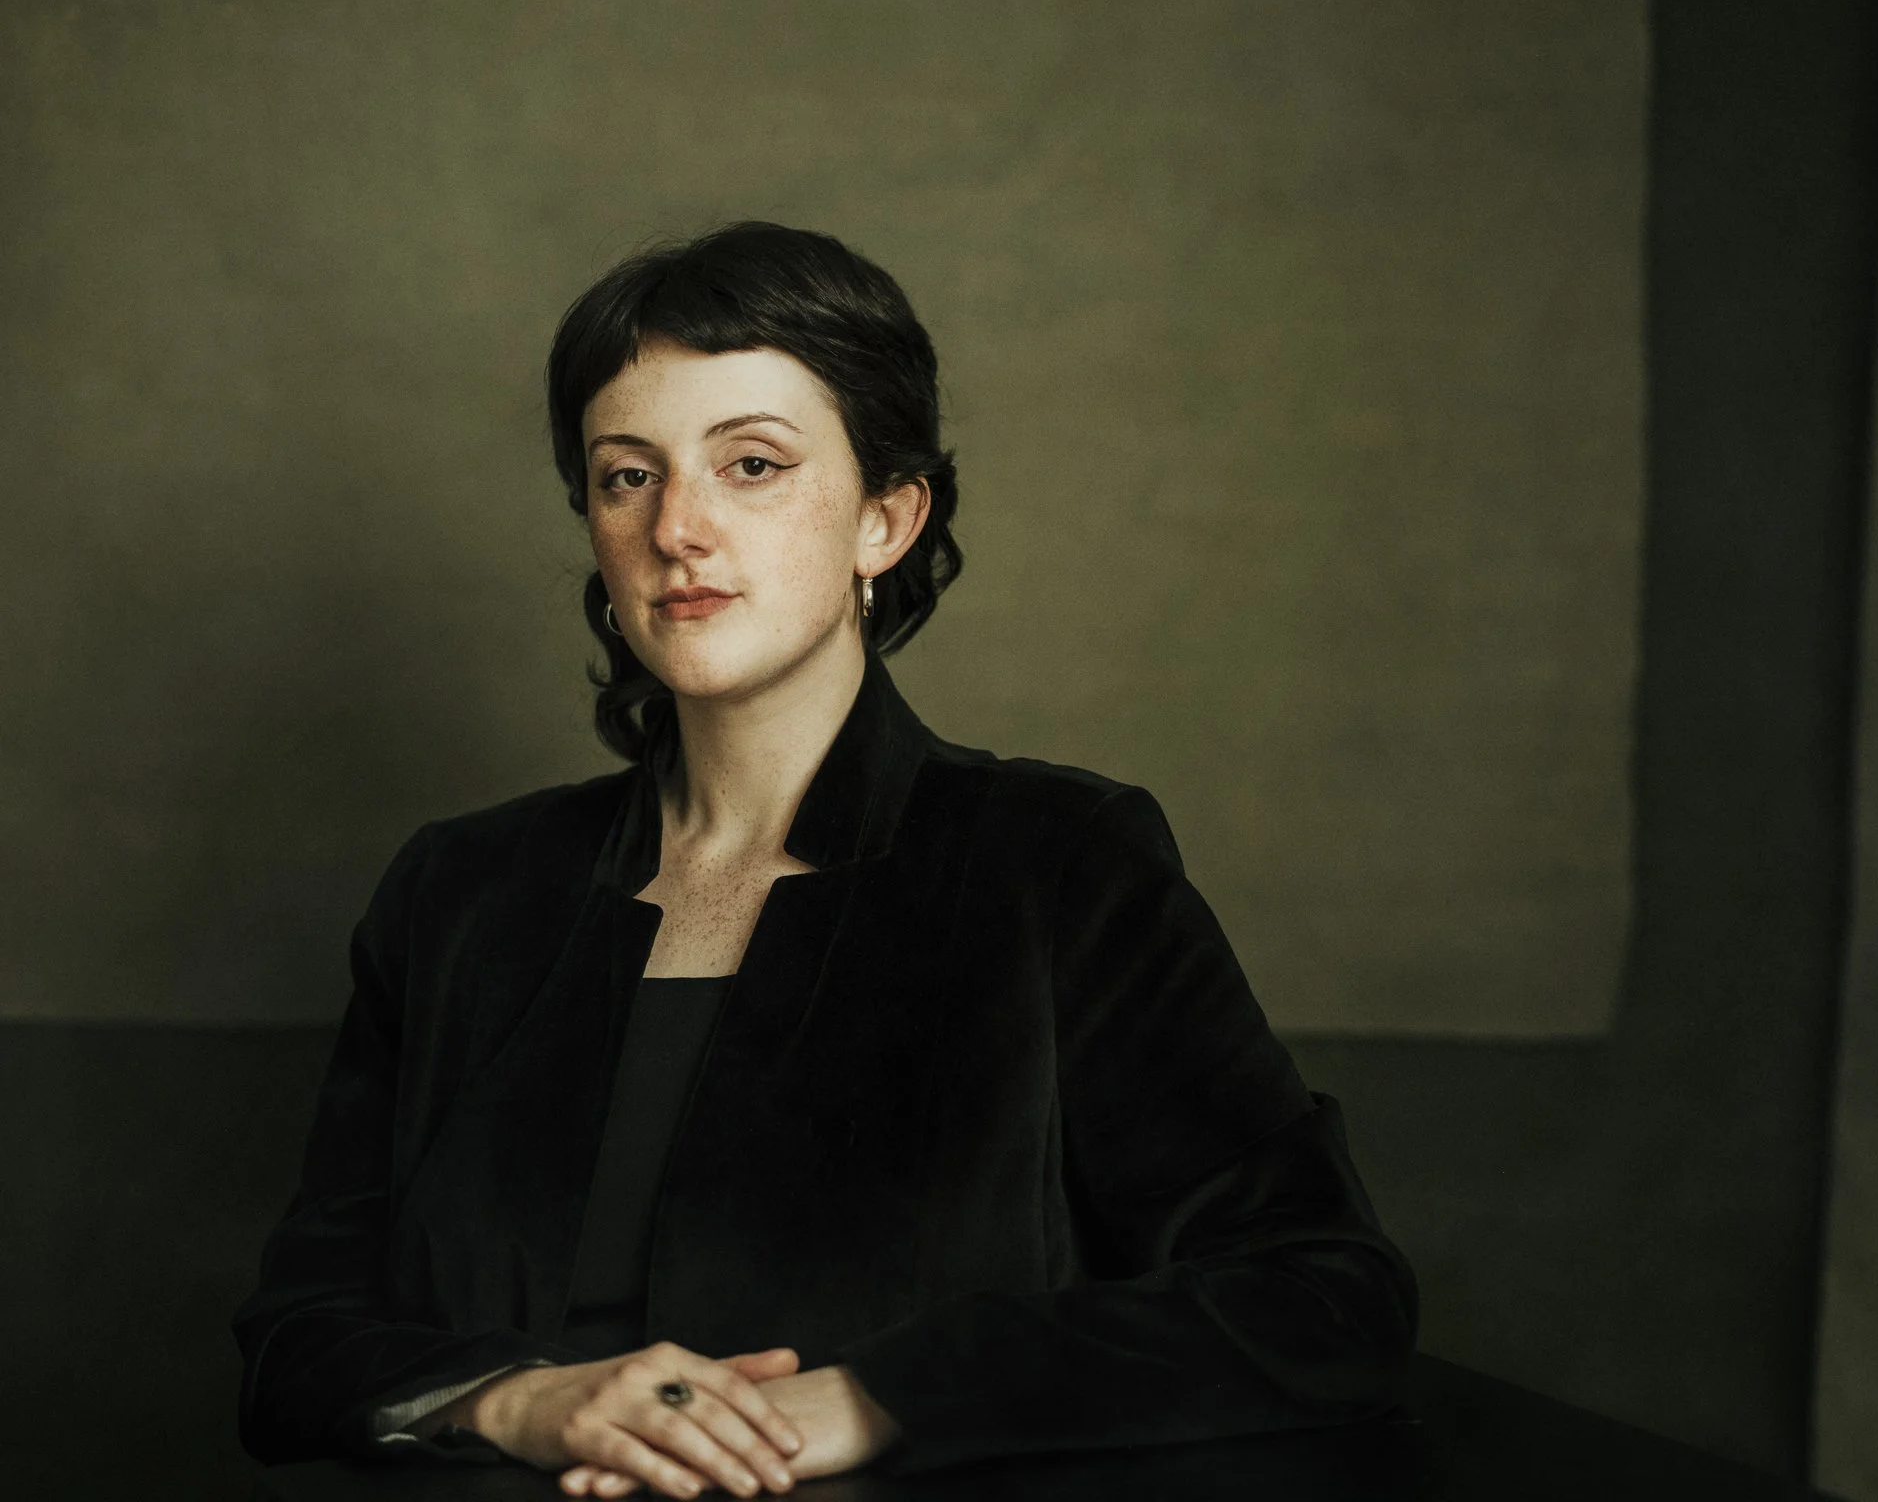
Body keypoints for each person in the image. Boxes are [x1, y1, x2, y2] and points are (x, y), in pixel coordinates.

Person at [232, 220, 1418, 1499]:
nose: (677, 527)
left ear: (884, 519)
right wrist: (519, 1397)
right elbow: (298, 1339)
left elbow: (1319, 1295)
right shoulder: (458, 893)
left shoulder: (1056, 867)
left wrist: (867, 1399)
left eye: (750, 464)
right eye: (626, 476)